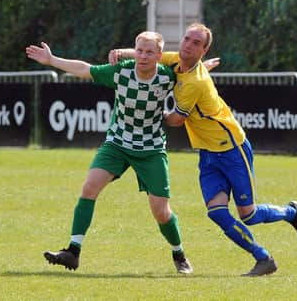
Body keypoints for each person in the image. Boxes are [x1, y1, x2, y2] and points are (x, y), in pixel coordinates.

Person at [109, 23, 297, 277]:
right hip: (207, 153)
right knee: (216, 212)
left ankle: (291, 212)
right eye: (186, 39)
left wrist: (147, 111)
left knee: (248, 215)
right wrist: (122, 52)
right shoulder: (176, 60)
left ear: (203, 50)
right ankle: (263, 258)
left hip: (232, 150)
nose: (188, 45)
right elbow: (149, 52)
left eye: (196, 43)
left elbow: (176, 120)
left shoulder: (195, 82)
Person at [26, 31, 193, 274]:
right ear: (134, 51)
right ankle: (73, 251)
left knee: (161, 211)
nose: (143, 56)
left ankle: (179, 254)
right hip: (117, 143)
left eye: (149, 52)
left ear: (159, 56)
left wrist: (203, 67)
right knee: (89, 188)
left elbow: (191, 73)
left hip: (151, 149)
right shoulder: (122, 71)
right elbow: (86, 69)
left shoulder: (168, 77)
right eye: (139, 51)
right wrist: (52, 60)